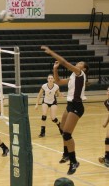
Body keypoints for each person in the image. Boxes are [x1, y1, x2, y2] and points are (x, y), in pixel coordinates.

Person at [41, 45, 89, 175]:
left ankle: (74, 162)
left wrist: (51, 52)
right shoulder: (73, 76)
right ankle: (66, 153)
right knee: (62, 129)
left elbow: (64, 62)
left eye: (80, 64)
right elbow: (57, 81)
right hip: (69, 105)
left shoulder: (80, 74)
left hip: (77, 106)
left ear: (83, 68)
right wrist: (55, 69)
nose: (77, 64)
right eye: (78, 63)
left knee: (67, 134)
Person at [98, 86, 109, 167]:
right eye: (107, 90)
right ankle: (107, 158)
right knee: (107, 138)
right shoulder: (106, 102)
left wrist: (106, 122)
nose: (108, 92)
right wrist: (106, 123)